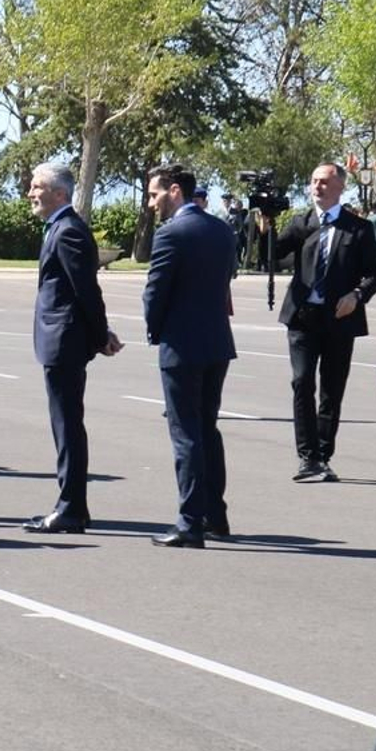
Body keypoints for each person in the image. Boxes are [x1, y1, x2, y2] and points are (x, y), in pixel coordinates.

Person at [22, 163, 121, 534]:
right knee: (65, 425)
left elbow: (87, 292)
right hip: (59, 340)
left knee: (67, 427)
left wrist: (100, 336)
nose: (31, 193)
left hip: (64, 342)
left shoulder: (68, 232)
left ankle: (71, 508)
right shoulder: (60, 228)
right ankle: (71, 504)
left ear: (60, 194)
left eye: (37, 187)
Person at [143, 164, 237, 548]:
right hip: (217, 342)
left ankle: (189, 522)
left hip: (182, 345)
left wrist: (155, 329)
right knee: (207, 430)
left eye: (154, 194)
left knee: (186, 435)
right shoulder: (222, 230)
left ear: (175, 191)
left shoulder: (171, 234)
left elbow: (155, 292)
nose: (151, 203)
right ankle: (215, 514)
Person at [274, 163, 376, 483]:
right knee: (302, 381)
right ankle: (307, 457)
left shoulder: (359, 229)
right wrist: (264, 229)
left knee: (332, 390)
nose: (317, 187)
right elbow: (271, 257)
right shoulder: (300, 224)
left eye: (324, 182)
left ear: (339, 187)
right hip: (302, 319)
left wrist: (357, 295)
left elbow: (375, 275)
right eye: (313, 182)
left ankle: (323, 454)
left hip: (339, 319)